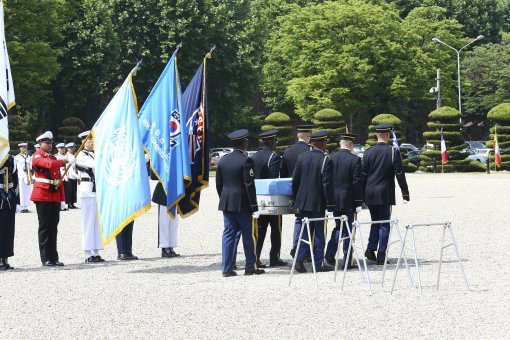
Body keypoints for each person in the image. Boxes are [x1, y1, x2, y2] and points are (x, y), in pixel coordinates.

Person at [216, 129, 264, 277]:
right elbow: (249, 184)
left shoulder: (223, 159)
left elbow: (219, 184)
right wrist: (254, 206)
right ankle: (251, 266)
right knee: (248, 236)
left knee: (228, 235)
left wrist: (224, 198)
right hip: (243, 203)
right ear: (243, 143)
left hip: (227, 202)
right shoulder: (246, 160)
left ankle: (227, 268)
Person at [362, 124, 410, 264]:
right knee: (384, 224)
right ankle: (381, 256)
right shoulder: (392, 152)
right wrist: (405, 193)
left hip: (370, 193)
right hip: (384, 193)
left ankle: (371, 249)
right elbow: (399, 174)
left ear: (377, 135)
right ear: (388, 136)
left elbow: (363, 175)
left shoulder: (368, 152)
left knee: (375, 222)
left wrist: (361, 195)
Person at [292, 130, 335, 273]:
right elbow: (327, 184)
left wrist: (296, 198)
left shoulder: (302, 157)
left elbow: (295, 181)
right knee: (319, 234)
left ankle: (299, 260)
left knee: (305, 233)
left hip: (303, 201)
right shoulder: (325, 159)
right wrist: (330, 203)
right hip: (318, 202)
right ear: (322, 143)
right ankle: (317, 263)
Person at [31, 131, 69, 267]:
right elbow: (48, 165)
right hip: (43, 195)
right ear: (39, 144)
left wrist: (62, 198)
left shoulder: (52, 157)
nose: (49, 145)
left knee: (53, 227)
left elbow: (58, 178)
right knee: (44, 227)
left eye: (50, 143)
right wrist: (63, 161)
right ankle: (46, 258)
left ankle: (54, 257)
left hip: (54, 195)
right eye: (46, 143)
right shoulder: (36, 156)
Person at [324, 133, 362, 269]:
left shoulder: (330, 158)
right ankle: (347, 258)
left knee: (339, 227)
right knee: (348, 229)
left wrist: (329, 201)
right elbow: (357, 182)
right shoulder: (355, 160)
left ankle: (330, 253)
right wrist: (358, 202)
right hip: (349, 200)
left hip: (335, 200)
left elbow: (327, 181)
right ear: (351, 145)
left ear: (340, 144)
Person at [250, 129, 287, 268]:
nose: (276, 143)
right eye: (275, 141)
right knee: (276, 229)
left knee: (259, 229)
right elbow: (273, 179)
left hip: (257, 197)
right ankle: (274, 258)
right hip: (271, 198)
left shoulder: (254, 156)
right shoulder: (274, 157)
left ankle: (256, 257)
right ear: (271, 141)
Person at [280, 124, 314, 258]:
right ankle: (306, 250)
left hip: (294, 191)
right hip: (310, 190)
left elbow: (283, 174)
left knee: (299, 220)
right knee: (312, 221)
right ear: (309, 137)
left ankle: (296, 246)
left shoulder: (288, 151)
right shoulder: (311, 150)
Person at [75, 131, 104, 263]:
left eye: (92, 140)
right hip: (87, 189)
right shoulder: (80, 155)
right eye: (88, 140)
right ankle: (88, 253)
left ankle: (96, 251)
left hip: (96, 189)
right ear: (83, 142)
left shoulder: (95, 154)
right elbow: (95, 165)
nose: (91, 142)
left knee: (97, 223)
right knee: (87, 222)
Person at [152, 180, 181, 258]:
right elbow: (153, 174)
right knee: (164, 221)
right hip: (163, 191)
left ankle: (171, 245)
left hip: (175, 189)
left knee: (174, 221)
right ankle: (164, 247)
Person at [0, 155, 18, 270]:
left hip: (9, 196)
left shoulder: (11, 158)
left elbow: (15, 178)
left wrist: (16, 198)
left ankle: (5, 257)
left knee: (8, 229)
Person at [14, 142, 32, 213]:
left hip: (27, 174)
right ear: (20, 148)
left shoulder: (28, 156)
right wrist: (24, 177)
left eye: (25, 147)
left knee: (27, 191)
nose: (24, 149)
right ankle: (21, 207)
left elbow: (30, 167)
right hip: (21, 175)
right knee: (21, 191)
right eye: (23, 147)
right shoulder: (17, 157)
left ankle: (26, 206)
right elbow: (19, 168)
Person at [64, 142, 78, 209]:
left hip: (74, 174)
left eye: (73, 148)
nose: (72, 149)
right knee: (69, 190)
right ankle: (69, 203)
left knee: (74, 189)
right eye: (71, 148)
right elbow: (68, 167)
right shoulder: (67, 156)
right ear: (68, 148)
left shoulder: (73, 155)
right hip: (69, 174)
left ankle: (73, 202)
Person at [54, 143, 68, 211]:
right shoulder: (56, 157)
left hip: (66, 175)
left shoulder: (66, 156)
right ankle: (59, 205)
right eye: (61, 148)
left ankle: (64, 204)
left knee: (65, 190)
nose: (62, 149)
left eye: (63, 148)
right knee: (59, 191)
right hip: (59, 175)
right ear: (57, 149)